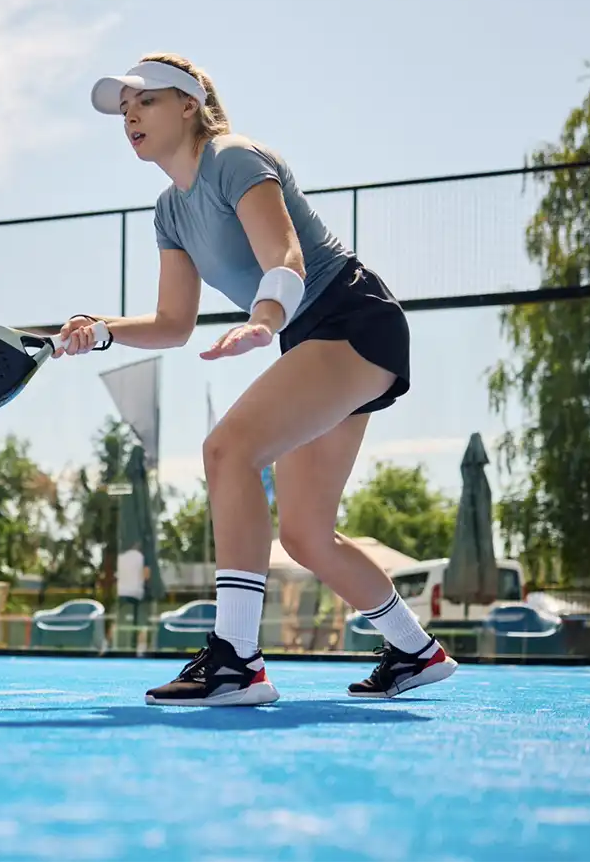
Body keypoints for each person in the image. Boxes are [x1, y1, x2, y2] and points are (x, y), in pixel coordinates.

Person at [55, 53, 457, 705]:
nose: (129, 114)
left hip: (352, 317)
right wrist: (101, 327)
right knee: (302, 533)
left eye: (145, 100)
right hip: (310, 336)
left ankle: (237, 661)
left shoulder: (233, 157)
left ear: (189, 105)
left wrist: (264, 319)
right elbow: (172, 323)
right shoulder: (169, 212)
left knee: (228, 449)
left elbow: (285, 255)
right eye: (123, 107)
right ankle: (416, 649)